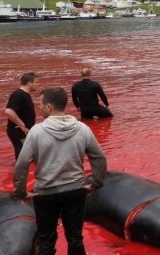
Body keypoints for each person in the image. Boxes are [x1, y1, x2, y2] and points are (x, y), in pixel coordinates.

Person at [13, 87, 107, 255]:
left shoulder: (36, 132)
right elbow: (99, 157)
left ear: (49, 107)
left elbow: (21, 165)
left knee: (46, 240)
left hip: (45, 193)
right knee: (75, 238)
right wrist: (95, 183)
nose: (39, 107)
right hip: (76, 190)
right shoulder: (82, 129)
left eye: (41, 104)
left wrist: (21, 192)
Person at [5, 72, 39, 160]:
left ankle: (18, 172)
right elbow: (8, 111)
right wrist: (22, 125)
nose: (38, 85)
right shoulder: (18, 94)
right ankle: (21, 173)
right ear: (29, 83)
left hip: (23, 131)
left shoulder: (25, 95)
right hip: (18, 131)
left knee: (24, 156)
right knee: (25, 157)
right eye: (36, 82)